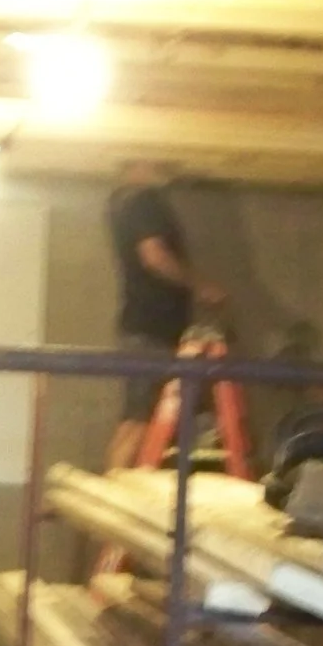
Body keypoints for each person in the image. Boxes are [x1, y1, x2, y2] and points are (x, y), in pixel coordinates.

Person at [105, 160, 225, 471]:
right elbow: (154, 256)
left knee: (137, 413)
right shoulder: (145, 201)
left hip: (140, 324)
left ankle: (117, 480)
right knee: (142, 414)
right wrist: (202, 286)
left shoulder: (119, 203)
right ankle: (119, 486)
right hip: (152, 325)